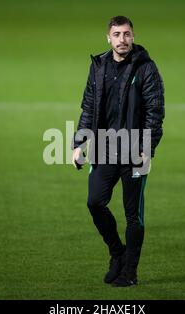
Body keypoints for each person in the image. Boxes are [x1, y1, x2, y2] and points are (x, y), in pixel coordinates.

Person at [72, 16, 165, 287]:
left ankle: (130, 273)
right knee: (94, 202)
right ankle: (117, 253)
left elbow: (155, 111)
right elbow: (88, 107)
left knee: (132, 215)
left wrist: (146, 148)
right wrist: (78, 144)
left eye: (126, 34)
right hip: (104, 147)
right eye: (116, 34)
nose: (122, 39)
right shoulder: (98, 66)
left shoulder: (146, 67)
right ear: (108, 38)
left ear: (133, 36)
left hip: (135, 151)